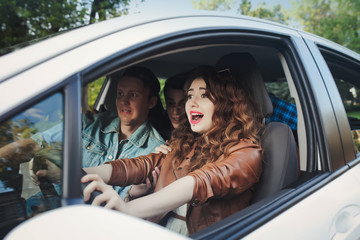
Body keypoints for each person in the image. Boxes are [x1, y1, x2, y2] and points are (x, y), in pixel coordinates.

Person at [82, 65, 263, 235]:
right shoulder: (188, 145)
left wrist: (126, 208)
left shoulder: (247, 153)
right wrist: (82, 173)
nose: (192, 103)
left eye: (204, 96)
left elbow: (199, 182)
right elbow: (139, 165)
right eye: (190, 96)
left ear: (227, 104)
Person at [0, 66, 166, 215]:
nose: (124, 101)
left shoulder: (154, 151)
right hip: (40, 207)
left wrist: (63, 176)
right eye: (120, 94)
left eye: (133, 95)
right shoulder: (89, 123)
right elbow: (34, 143)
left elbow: (120, 209)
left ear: (151, 102)